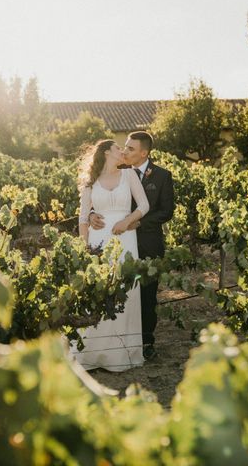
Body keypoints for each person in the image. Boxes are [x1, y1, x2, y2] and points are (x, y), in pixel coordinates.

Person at [90, 131, 174, 361]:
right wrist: (91, 214)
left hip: (146, 242)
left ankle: (146, 342)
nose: (125, 151)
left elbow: (166, 211)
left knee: (145, 295)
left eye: (130, 149)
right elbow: (97, 198)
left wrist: (136, 222)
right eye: (124, 147)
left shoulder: (162, 176)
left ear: (144, 153)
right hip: (116, 241)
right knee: (113, 287)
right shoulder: (117, 173)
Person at [73, 139, 150, 371]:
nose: (123, 151)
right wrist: (85, 249)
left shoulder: (129, 176)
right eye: (119, 148)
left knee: (126, 291)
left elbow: (144, 206)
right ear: (107, 153)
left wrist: (127, 221)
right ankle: (94, 353)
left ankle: (120, 354)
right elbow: (83, 219)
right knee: (99, 290)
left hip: (125, 240)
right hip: (99, 242)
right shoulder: (90, 182)